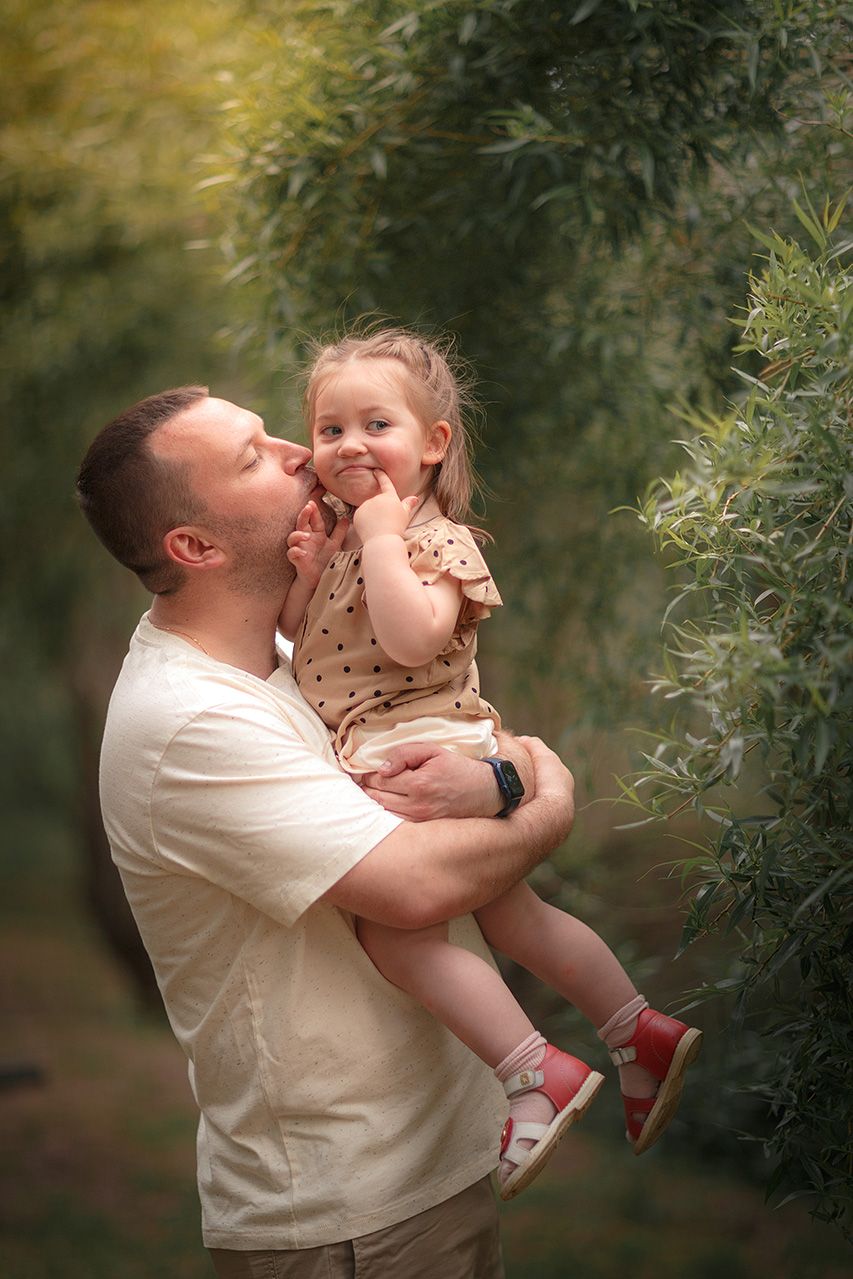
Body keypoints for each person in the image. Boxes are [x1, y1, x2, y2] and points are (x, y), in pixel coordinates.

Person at [75, 383, 578, 1279]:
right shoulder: (189, 720)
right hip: (344, 1218)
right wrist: (546, 803)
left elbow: (463, 731)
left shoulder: (285, 656)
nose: (300, 452)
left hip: (425, 1176)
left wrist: (499, 777)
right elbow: (416, 884)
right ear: (195, 546)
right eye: (253, 457)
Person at [279, 328, 703, 1202]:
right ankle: (637, 1030)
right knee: (512, 914)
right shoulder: (355, 539)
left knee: (397, 935)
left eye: (376, 424)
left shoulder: (437, 541)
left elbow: (411, 638)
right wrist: (312, 571)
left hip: (419, 747)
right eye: (329, 429)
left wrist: (382, 539)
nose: (350, 444)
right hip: (390, 740)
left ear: (433, 442)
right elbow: (304, 643)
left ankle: (532, 1072)